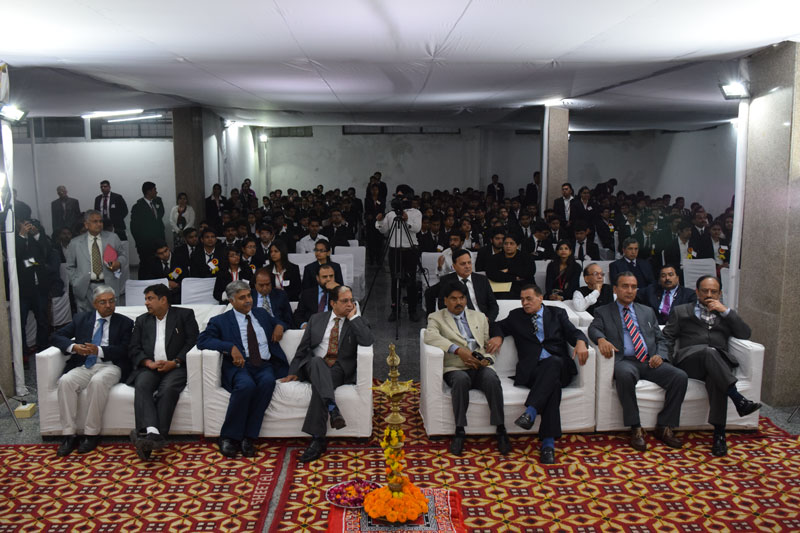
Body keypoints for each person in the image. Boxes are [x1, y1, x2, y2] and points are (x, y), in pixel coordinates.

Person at [588, 272, 688, 452]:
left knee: (679, 376)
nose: (630, 290)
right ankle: (635, 427)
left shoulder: (646, 311)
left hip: (650, 361)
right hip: (624, 360)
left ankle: (665, 426)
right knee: (625, 374)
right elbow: (593, 328)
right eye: (625, 286)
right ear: (616, 289)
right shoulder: (603, 311)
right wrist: (601, 339)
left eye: (633, 287)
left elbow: (661, 338)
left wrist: (660, 355)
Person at [490, 285, 590, 464]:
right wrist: (498, 336)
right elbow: (497, 325)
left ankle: (531, 411)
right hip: (533, 371)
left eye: (529, 299)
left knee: (554, 362)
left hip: (560, 367)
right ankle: (547, 445)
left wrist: (581, 342)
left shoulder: (557, 314)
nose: (524, 303)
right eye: (522, 300)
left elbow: (573, 332)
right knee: (553, 385)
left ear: (540, 298)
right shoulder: (516, 316)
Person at [663, 276, 760, 456]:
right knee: (709, 352)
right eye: (705, 291)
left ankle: (719, 435)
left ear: (720, 293)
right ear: (697, 292)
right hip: (690, 362)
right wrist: (667, 363)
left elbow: (745, 334)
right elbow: (667, 337)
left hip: (718, 364)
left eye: (713, 291)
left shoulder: (725, 315)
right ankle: (737, 398)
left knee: (716, 379)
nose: (709, 294)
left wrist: (726, 312)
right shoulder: (681, 311)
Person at [280, 285, 373, 462]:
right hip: (313, 366)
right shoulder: (316, 319)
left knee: (321, 386)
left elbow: (368, 341)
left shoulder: (357, 322)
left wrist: (354, 318)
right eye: (344, 301)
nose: (349, 304)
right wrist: (293, 371)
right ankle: (332, 410)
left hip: (338, 369)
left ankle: (318, 438)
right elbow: (302, 349)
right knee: (316, 361)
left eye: (352, 301)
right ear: (333, 303)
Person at [197, 280, 289, 458]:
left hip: (264, 365)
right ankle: (228, 437)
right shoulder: (221, 321)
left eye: (249, 296)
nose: (248, 300)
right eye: (242, 298)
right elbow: (202, 340)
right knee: (246, 386)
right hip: (239, 366)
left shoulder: (261, 314)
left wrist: (279, 326)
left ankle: (248, 437)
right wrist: (229, 347)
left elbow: (280, 321)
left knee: (267, 382)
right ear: (231, 301)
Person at [424, 282, 509, 456]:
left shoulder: (479, 317)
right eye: (453, 299)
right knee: (461, 380)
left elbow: (486, 345)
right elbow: (430, 336)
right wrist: (458, 350)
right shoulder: (436, 317)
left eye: (462, 298)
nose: (459, 302)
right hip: (455, 366)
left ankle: (501, 429)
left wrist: (486, 360)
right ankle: (459, 430)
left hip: (478, 366)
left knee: (492, 379)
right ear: (445, 301)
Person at [51, 285, 134, 456]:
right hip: (84, 365)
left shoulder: (125, 323)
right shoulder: (81, 319)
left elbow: (125, 349)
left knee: (97, 382)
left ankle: (91, 434)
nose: (108, 305)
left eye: (111, 301)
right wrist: (74, 347)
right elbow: (56, 336)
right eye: (103, 302)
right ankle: (69, 434)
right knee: (65, 381)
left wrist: (99, 351)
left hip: (111, 365)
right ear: (95, 304)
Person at [127, 284, 199, 460]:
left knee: (168, 389)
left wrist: (175, 362)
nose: (146, 303)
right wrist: (148, 363)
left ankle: (147, 437)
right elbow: (134, 348)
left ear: (163, 300)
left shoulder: (184, 315)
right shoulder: (142, 320)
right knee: (142, 385)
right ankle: (153, 434)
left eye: (150, 298)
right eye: (145, 299)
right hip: (150, 367)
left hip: (176, 366)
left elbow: (193, 341)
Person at [375, 185, 422, 322]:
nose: (399, 200)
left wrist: (407, 220)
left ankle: (412, 310)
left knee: (411, 281)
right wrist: (379, 221)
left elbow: (417, 229)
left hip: (410, 250)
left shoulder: (416, 213)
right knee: (395, 280)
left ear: (409, 197)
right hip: (395, 251)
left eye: (402, 197)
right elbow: (383, 230)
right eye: (397, 196)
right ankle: (395, 310)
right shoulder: (391, 214)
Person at [65, 211, 126, 312]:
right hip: (85, 287)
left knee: (110, 315)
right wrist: (75, 281)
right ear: (86, 224)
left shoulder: (112, 238)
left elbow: (123, 255)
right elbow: (70, 266)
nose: (99, 224)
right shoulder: (75, 243)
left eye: (100, 221)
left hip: (108, 284)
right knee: (87, 319)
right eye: (95, 221)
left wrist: (119, 263)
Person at [16, 218, 54, 354]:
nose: (27, 226)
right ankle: (23, 353)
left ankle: (43, 348)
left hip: (39, 287)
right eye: (23, 223)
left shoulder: (37, 237)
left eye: (28, 223)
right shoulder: (14, 239)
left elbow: (46, 253)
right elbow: (16, 258)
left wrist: (36, 233)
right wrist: (22, 236)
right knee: (21, 322)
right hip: (23, 289)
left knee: (42, 320)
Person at [435, 249, 499, 322]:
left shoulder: (482, 280)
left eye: (469, 263)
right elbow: (442, 306)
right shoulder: (447, 281)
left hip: (482, 319)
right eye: (463, 264)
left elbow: (493, 305)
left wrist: (488, 319)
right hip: (460, 321)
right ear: (454, 266)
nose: (467, 266)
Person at [486, 233, 535, 299]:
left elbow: (529, 272)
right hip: (501, 289)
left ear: (517, 245)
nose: (508, 246)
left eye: (511, 244)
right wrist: (515, 278)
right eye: (505, 244)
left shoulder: (526, 257)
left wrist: (508, 270)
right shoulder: (494, 258)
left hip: (524, 287)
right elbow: (492, 274)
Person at [130, 181, 166, 262]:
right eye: (154, 189)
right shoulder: (138, 207)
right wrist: (139, 242)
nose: (156, 192)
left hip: (159, 241)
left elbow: (160, 215)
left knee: (160, 263)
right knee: (146, 264)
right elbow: (134, 227)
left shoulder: (157, 201)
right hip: (145, 244)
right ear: (149, 192)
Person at [294, 264, 339, 328]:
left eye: (331, 276)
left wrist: (338, 290)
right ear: (318, 278)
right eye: (325, 277)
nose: (329, 279)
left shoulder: (340, 292)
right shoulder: (307, 294)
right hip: (312, 328)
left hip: (333, 327)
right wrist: (304, 325)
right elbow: (298, 315)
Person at [363, 183, 385, 265]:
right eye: (373, 190)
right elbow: (367, 210)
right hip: (370, 223)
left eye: (376, 190)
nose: (374, 191)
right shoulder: (367, 199)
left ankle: (379, 259)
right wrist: (368, 216)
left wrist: (379, 216)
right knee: (370, 242)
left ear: (378, 190)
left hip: (379, 223)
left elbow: (382, 210)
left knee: (379, 242)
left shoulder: (381, 199)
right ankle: (371, 259)